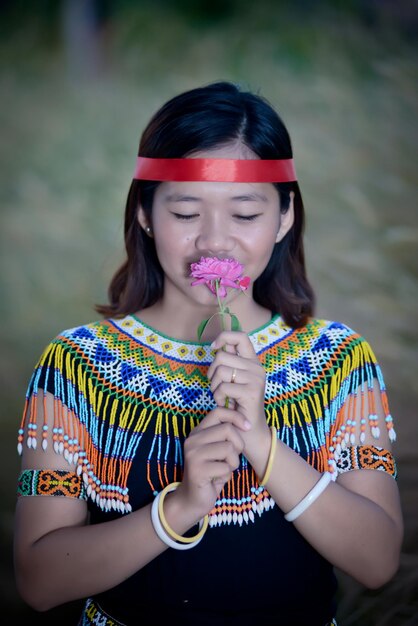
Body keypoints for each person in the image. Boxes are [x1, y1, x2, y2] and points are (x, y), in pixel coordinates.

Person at [14, 81, 403, 626]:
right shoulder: (76, 365)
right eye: (186, 213)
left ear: (285, 217)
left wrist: (259, 440)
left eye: (245, 215)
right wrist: (179, 508)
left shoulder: (339, 359)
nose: (214, 242)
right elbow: (38, 581)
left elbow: (378, 561)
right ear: (146, 213)